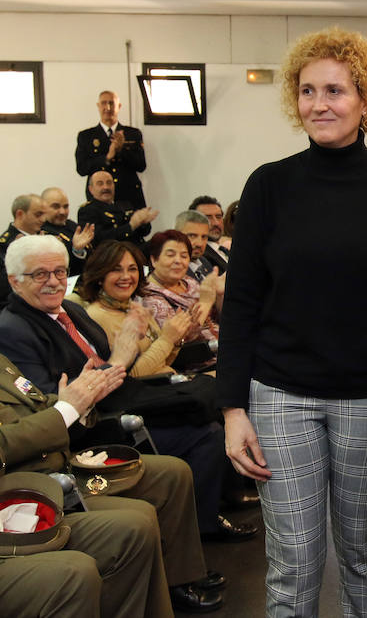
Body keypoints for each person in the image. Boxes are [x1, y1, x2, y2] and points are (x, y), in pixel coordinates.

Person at [218, 27, 367, 617]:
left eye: (335, 90)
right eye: (307, 91)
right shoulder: (268, 185)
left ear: (366, 100)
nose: (319, 104)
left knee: (364, 552)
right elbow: (241, 303)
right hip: (280, 395)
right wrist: (233, 409)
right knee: (293, 561)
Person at [0, 235, 255, 551]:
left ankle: (203, 521)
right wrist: (122, 358)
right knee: (205, 434)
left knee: (212, 405)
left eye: (60, 273)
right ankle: (199, 530)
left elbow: (116, 366)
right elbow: (54, 402)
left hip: (123, 397)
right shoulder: (13, 329)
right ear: (14, 280)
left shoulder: (69, 310)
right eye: (41, 274)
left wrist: (159, 343)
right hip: (94, 426)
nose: (54, 282)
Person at [0, 348, 222, 614]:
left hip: (60, 462)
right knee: (134, 524)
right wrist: (65, 410)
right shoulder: (15, 329)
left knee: (172, 473)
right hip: (31, 485)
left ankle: (179, 578)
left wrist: (82, 399)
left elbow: (36, 405)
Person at [81, 240, 191, 377]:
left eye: (132, 269)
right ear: (100, 277)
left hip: (168, 382)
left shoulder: (135, 308)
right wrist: (167, 339)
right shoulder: (95, 317)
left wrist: (177, 339)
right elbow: (131, 376)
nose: (126, 277)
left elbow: (163, 362)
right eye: (116, 270)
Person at [141, 230, 222, 361]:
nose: (178, 261)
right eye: (170, 255)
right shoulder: (150, 297)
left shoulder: (188, 281)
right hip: (200, 360)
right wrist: (205, 302)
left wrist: (219, 295)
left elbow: (214, 317)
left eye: (184, 256)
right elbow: (177, 343)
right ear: (154, 260)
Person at [76, 90, 147, 210]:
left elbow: (141, 166)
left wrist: (121, 150)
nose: (108, 107)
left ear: (119, 106)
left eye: (111, 103)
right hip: (100, 199)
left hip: (129, 196)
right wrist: (107, 158)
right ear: (98, 106)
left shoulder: (132, 133)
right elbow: (82, 169)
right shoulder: (86, 136)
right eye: (103, 103)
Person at [77, 170, 158, 247]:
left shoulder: (124, 205)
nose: (106, 187)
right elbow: (98, 239)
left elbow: (144, 233)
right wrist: (130, 226)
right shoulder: (87, 211)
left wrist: (142, 222)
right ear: (91, 189)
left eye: (109, 183)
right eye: (100, 184)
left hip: (136, 249)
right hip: (113, 255)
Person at [0, 194, 48, 309]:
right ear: (20, 214)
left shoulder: (45, 237)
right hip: (19, 305)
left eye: (44, 215)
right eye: (38, 215)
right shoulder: (5, 244)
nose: (43, 220)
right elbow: (3, 287)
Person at [41, 186, 95, 276]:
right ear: (43, 208)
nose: (62, 212)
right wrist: (77, 250)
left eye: (65, 207)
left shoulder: (71, 225)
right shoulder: (42, 233)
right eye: (56, 207)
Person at [189, 196, 230, 273]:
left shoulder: (225, 250)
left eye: (218, 217)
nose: (216, 223)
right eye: (208, 218)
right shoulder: (198, 253)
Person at [174, 210, 216, 281]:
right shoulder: (171, 269)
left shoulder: (204, 262)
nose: (199, 243)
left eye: (204, 237)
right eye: (192, 236)